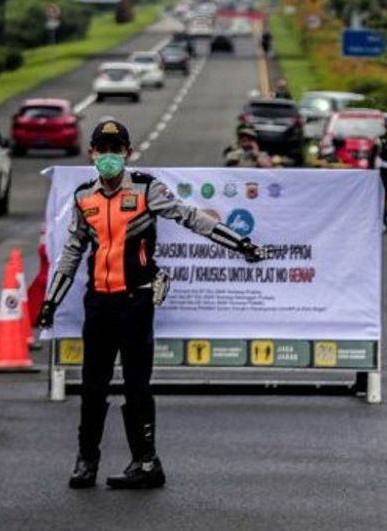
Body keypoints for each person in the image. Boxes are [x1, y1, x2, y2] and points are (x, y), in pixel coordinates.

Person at [39, 119, 266, 491]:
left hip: (136, 301)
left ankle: (146, 462)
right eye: (103, 149)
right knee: (93, 385)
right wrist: (51, 302)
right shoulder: (83, 197)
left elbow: (192, 218)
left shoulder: (147, 189)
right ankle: (86, 461)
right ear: (92, 153)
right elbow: (72, 251)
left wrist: (240, 244)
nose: (109, 157)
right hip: (98, 303)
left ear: (127, 153)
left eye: (116, 150)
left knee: (136, 384)